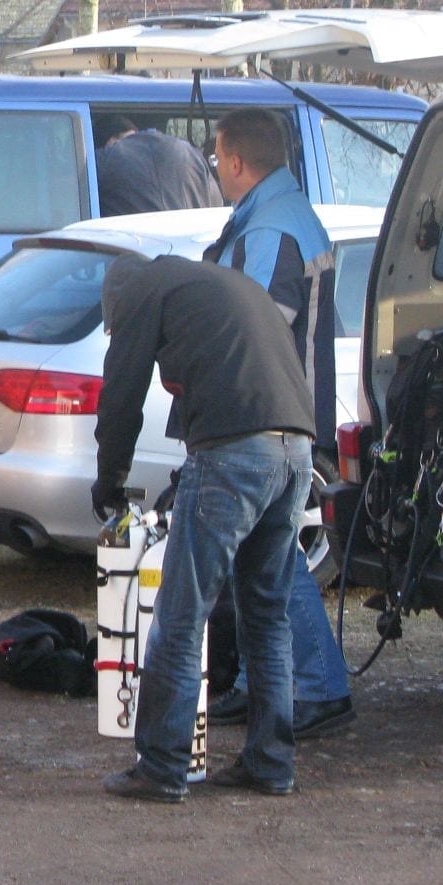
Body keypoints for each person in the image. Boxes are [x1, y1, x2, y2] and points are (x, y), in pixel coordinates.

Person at [92, 255, 316, 801]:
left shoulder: (141, 292)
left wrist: (110, 479)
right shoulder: (213, 287)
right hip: (297, 452)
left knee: (181, 614)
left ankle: (162, 767)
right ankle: (271, 763)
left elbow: (121, 395)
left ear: (117, 302)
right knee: (267, 614)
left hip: (234, 454)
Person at [200, 107, 355, 738]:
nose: (214, 166)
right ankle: (257, 683)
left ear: (236, 161)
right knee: (257, 556)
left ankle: (320, 687)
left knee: (275, 559)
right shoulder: (278, 217)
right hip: (281, 416)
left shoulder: (271, 230)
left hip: (266, 418)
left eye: (217, 156)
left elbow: (252, 329)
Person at [92, 113, 225, 218]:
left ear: (110, 141)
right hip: (193, 243)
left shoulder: (103, 160)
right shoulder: (190, 153)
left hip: (134, 243)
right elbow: (216, 205)